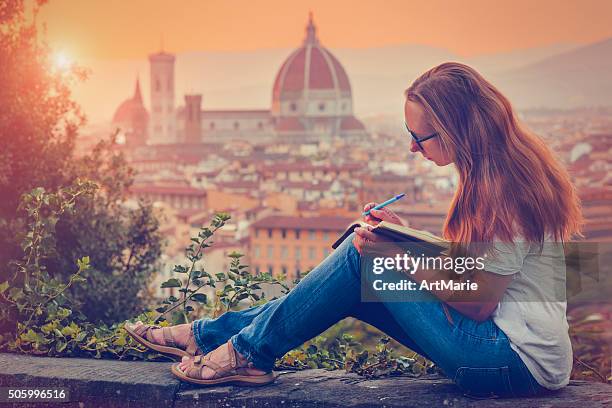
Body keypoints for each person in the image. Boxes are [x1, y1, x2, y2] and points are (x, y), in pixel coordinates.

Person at [126, 62, 582, 397]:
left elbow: (480, 301)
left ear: (455, 129)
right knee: (365, 263)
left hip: (508, 362)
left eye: (419, 137)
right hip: (509, 352)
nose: (411, 147)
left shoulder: (504, 187)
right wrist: (407, 238)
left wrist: (394, 259)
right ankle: (215, 338)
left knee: (359, 261)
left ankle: (241, 352)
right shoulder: (501, 168)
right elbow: (489, 268)